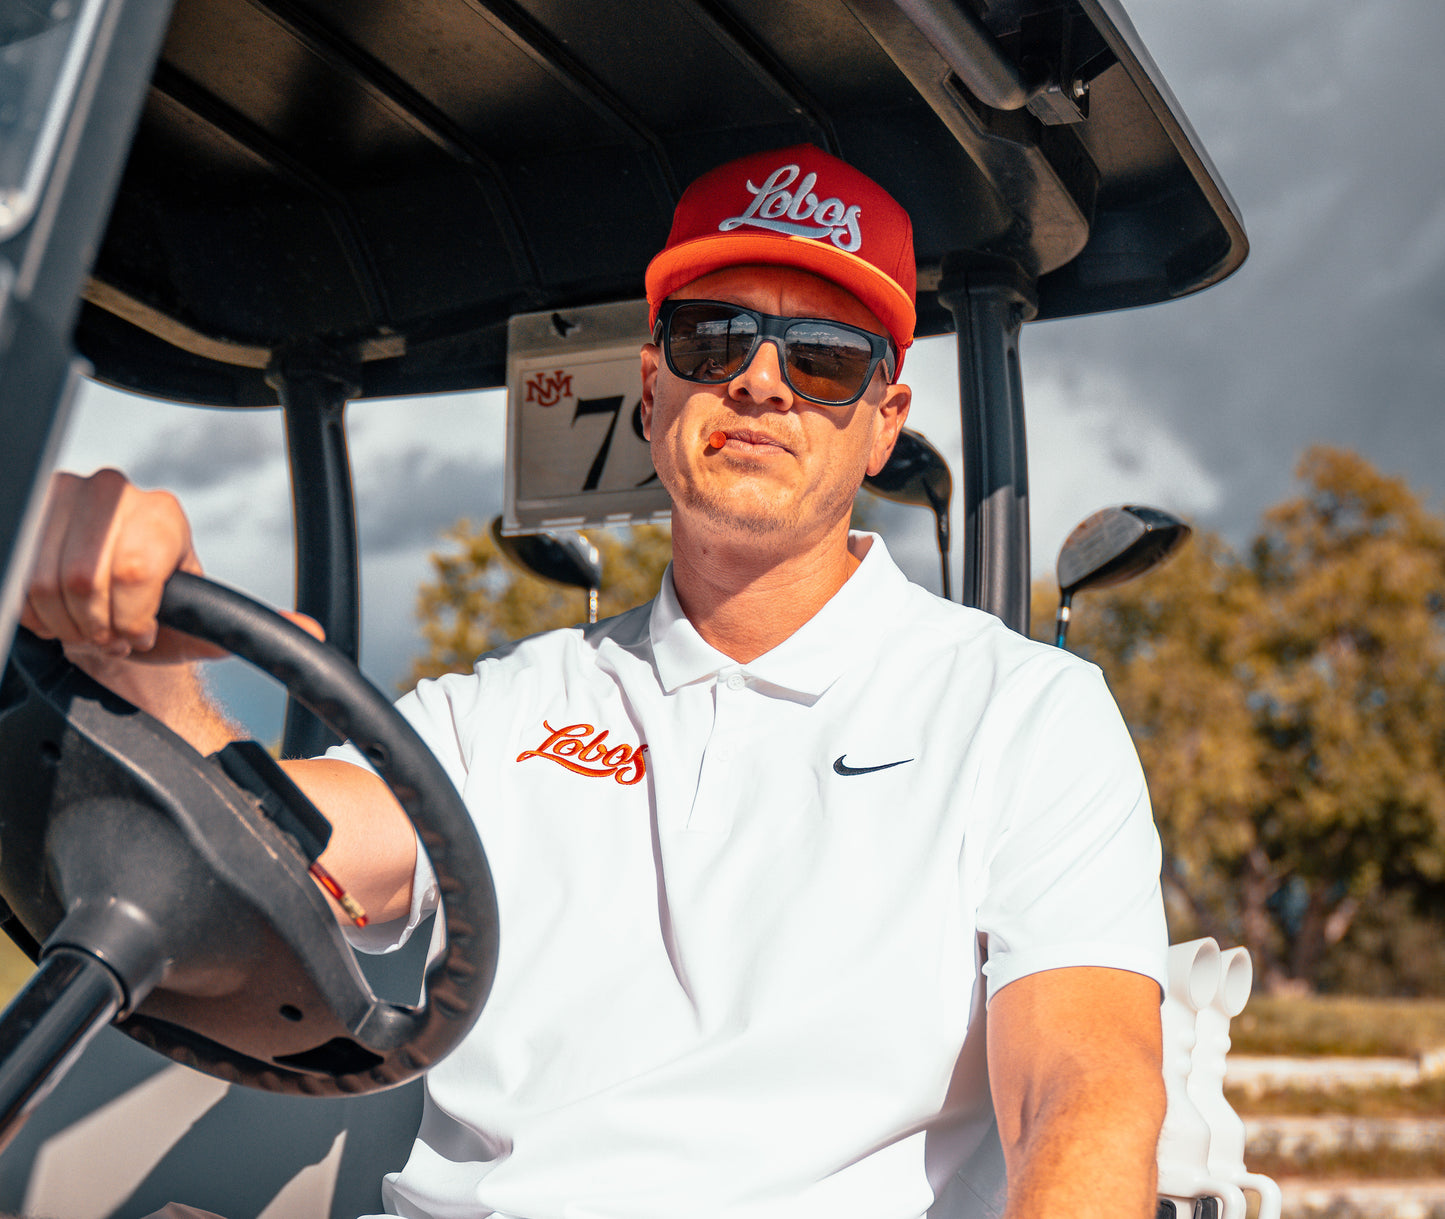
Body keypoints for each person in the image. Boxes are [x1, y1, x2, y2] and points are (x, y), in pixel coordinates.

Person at [22, 144, 1167, 1219]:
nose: (761, 384)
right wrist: (129, 663)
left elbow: (1081, 1092)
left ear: (882, 422)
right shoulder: (494, 714)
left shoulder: (1019, 715)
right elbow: (268, 849)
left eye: (822, 357)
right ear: (653, 388)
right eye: (714, 339)